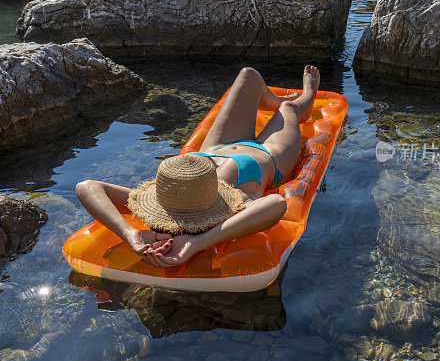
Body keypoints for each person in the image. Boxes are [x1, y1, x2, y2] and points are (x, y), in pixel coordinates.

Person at [75, 65, 320, 268]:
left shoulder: (170, 197)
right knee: (289, 109)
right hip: (270, 155)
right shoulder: (232, 208)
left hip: (215, 148)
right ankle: (305, 98)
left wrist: (130, 233)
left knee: (249, 75)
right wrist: (198, 242)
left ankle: (273, 101)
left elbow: (87, 186)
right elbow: (276, 204)